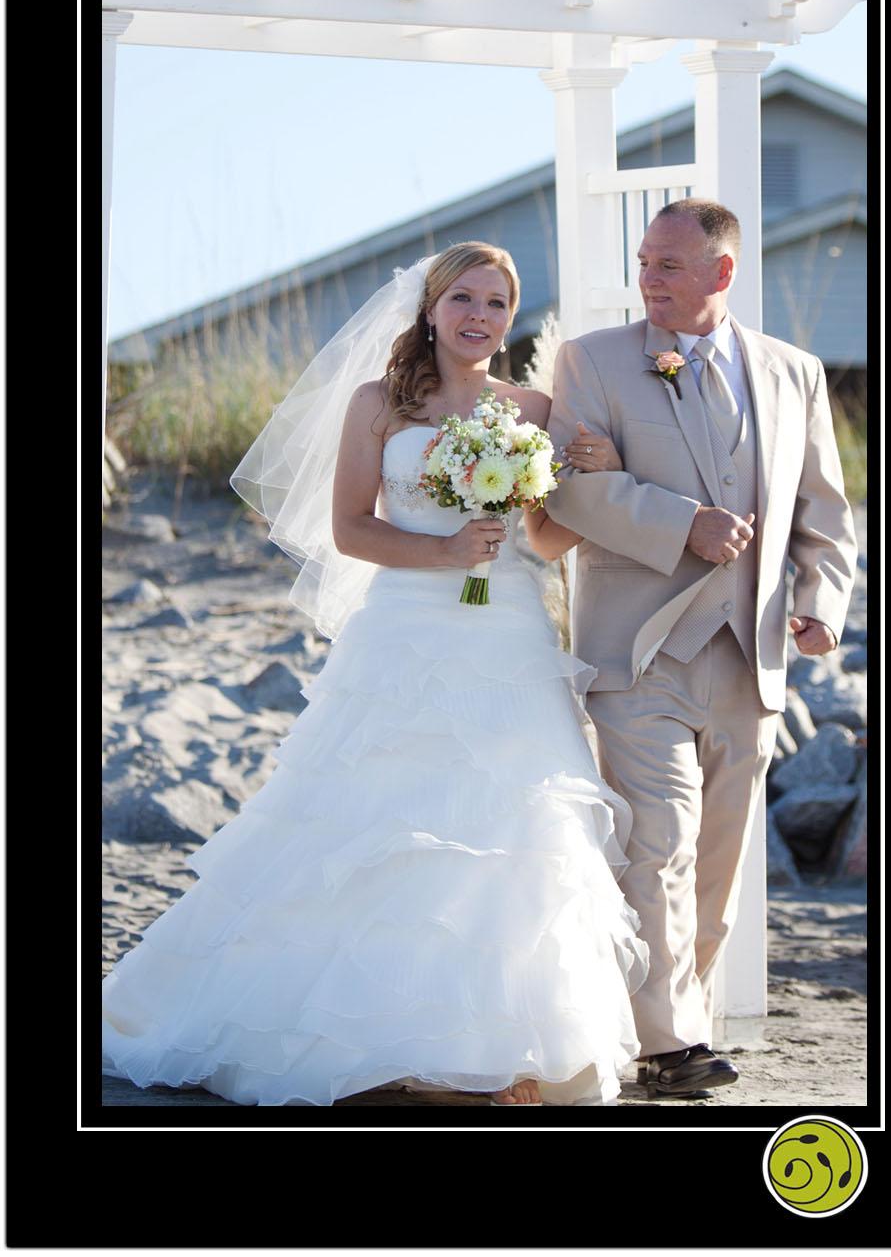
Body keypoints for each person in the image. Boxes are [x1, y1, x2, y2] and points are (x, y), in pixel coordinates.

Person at [101, 241, 649, 1108]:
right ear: (431, 310)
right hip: (404, 630)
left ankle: (503, 1045)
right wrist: (443, 549)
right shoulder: (378, 405)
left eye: (497, 303)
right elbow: (353, 529)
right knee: (379, 817)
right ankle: (374, 1038)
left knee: (516, 822)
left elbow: (542, 539)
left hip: (506, 632)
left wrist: (594, 484)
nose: (480, 316)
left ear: (510, 317)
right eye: (463, 298)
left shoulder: (532, 408)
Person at [544, 200, 859, 1098]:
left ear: (723, 273)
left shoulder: (794, 371)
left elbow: (824, 513)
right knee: (658, 844)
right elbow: (565, 494)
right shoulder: (591, 360)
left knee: (720, 854)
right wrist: (685, 523)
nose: (650, 278)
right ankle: (669, 1041)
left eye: (671, 265)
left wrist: (820, 604)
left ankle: (691, 1018)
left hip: (751, 650)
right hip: (637, 652)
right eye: (645, 261)